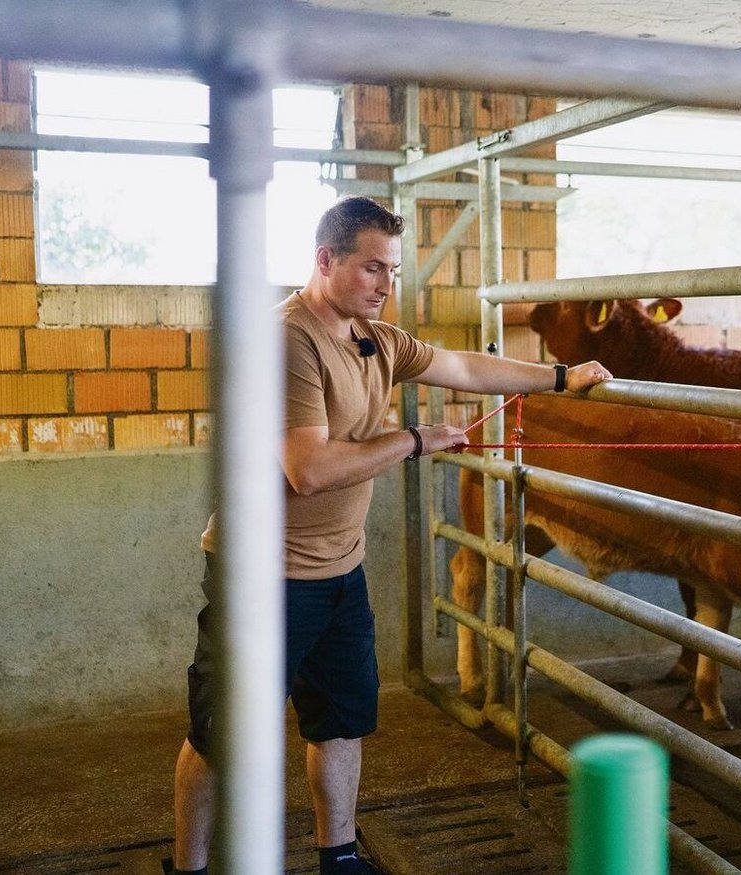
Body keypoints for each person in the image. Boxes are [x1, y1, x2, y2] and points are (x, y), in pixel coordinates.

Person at [170, 196, 612, 875]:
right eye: (371, 268)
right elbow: (309, 469)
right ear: (325, 260)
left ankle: (339, 855)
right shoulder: (287, 340)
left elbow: (464, 368)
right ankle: (191, 866)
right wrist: (413, 439)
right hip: (260, 575)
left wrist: (560, 376)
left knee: (341, 719)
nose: (385, 285)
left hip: (339, 571)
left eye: (393, 271)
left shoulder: (375, 336)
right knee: (221, 735)